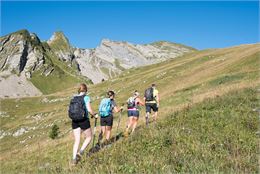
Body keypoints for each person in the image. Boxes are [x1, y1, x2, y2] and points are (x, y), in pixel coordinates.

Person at [69, 83, 97, 165]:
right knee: (89, 137)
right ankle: (80, 152)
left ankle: (74, 159)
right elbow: (89, 109)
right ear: (85, 90)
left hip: (74, 120)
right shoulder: (86, 97)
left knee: (77, 140)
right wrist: (94, 114)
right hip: (83, 120)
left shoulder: (74, 98)